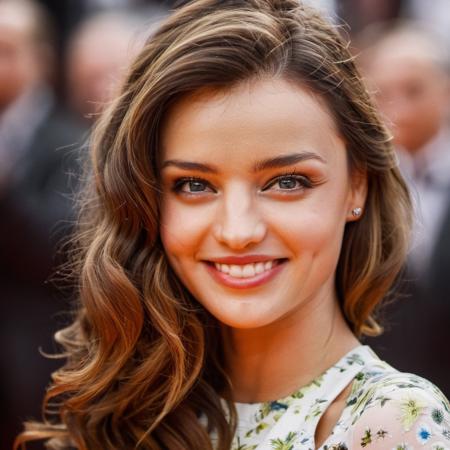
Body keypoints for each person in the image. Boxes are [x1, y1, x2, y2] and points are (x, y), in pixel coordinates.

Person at [15, 1, 450, 449]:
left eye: (286, 182)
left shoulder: (388, 421)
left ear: (356, 186)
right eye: (194, 185)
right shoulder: (135, 407)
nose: (238, 231)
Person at [0, 0, 85, 447]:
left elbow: (63, 248)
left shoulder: (71, 142)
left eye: (5, 49)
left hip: (35, 366)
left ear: (40, 58)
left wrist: (6, 193)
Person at [359, 23, 450, 396]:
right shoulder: (358, 182)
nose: (399, 108)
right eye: (383, 94)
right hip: (391, 393)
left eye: (414, 90)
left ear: (445, 90)